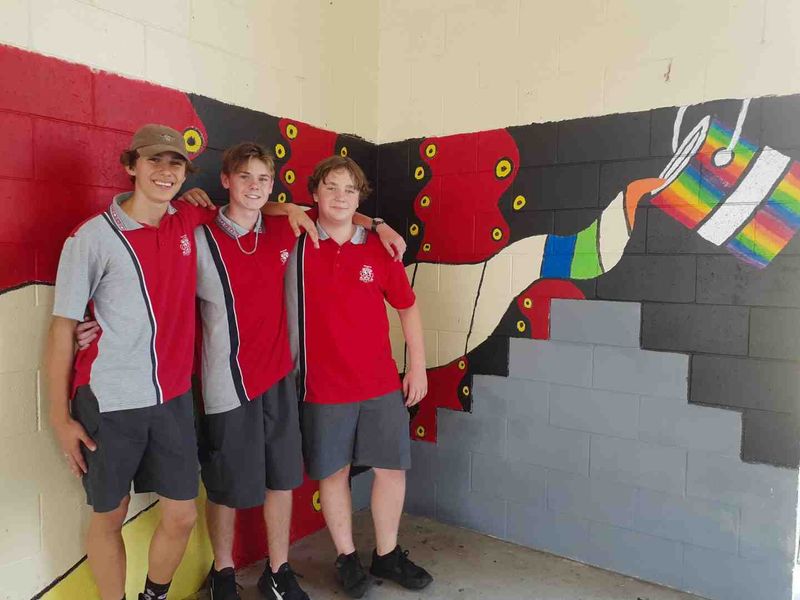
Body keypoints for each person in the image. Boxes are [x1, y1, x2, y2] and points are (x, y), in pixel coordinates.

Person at [74, 143, 407, 600]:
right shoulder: (198, 228)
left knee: (283, 480)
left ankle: (278, 570)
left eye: (264, 179)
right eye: (244, 177)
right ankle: (224, 573)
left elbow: (337, 210)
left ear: (273, 186)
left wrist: (379, 223)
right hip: (224, 384)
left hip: (279, 380)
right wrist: (95, 323)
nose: (254, 187)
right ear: (225, 181)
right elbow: (150, 281)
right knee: (225, 486)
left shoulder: (285, 226)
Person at [48, 125, 314, 600]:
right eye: (154, 162)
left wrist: (290, 208)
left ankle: (154, 595)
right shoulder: (90, 239)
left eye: (174, 164)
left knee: (182, 515)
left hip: (172, 399)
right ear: (131, 166)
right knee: (109, 516)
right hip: (109, 401)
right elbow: (62, 331)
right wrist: (58, 417)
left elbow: (246, 206)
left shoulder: (188, 219)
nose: (165, 172)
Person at [286, 156, 433, 598]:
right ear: (314, 193)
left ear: (359, 197)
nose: (340, 197)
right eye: (331, 187)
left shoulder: (378, 247)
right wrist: (288, 209)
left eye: (349, 190)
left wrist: (418, 366)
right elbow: (265, 207)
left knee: (391, 471)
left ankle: (386, 554)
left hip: (380, 384)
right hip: (323, 388)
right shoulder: (295, 238)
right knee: (334, 474)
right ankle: (347, 558)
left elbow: (407, 307)